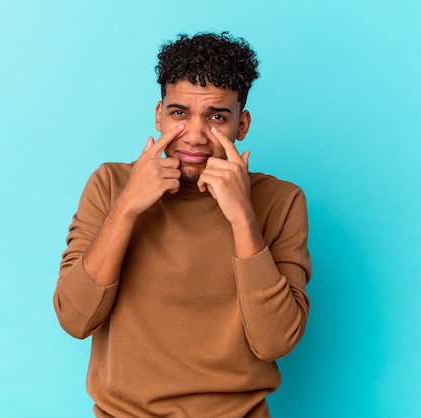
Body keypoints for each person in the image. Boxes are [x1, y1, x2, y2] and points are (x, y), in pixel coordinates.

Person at [53, 32, 312, 417]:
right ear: (159, 115)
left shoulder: (281, 201)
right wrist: (126, 208)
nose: (194, 136)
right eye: (179, 113)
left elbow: (274, 341)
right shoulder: (110, 185)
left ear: (242, 125)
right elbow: (75, 318)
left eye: (216, 117)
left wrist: (243, 217)